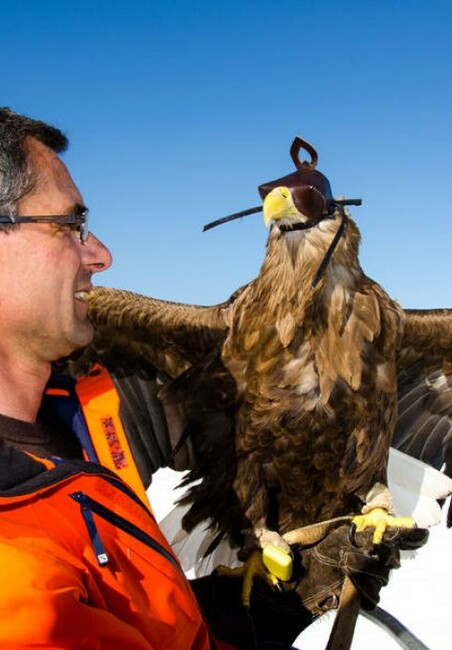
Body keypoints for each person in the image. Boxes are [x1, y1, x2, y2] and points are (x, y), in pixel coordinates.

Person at [0, 108, 314, 650]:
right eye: (71, 226)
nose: (101, 254)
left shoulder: (87, 417)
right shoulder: (16, 569)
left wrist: (242, 622)